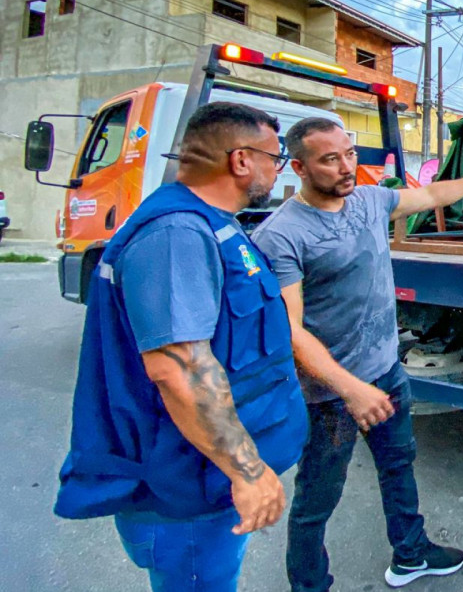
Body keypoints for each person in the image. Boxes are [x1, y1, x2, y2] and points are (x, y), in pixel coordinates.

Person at [54, 102, 309, 592]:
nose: (278, 170)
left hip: (202, 479)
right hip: (184, 489)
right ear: (241, 160)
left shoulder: (212, 222)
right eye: (274, 158)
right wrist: (249, 472)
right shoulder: (176, 234)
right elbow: (180, 369)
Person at [251, 117, 463, 591]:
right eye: (330, 159)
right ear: (300, 168)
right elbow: (290, 331)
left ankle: (411, 554)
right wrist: (351, 390)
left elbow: (429, 195)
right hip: (331, 394)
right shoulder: (281, 235)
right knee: (317, 499)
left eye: (349, 153)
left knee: (398, 465)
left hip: (385, 372)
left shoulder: (369, 200)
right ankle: (309, 585)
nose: (346, 166)